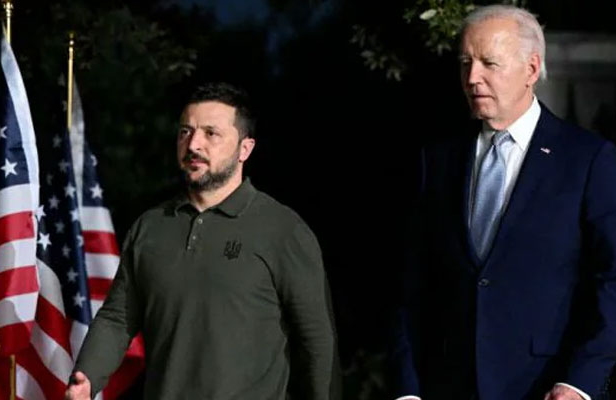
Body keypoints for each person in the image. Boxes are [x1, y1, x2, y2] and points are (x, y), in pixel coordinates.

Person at [389, 5, 616, 400]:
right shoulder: (438, 161)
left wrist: (579, 382)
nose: (472, 78)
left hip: (545, 388)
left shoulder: (588, 160)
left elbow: (612, 279)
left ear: (531, 69)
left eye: (489, 63)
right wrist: (408, 389)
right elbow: (413, 286)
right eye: (465, 62)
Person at [65, 82, 340, 400]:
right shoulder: (151, 228)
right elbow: (117, 317)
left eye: (211, 133)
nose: (193, 143)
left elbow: (317, 340)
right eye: (185, 132)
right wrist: (87, 378)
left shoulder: (283, 230)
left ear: (245, 149)